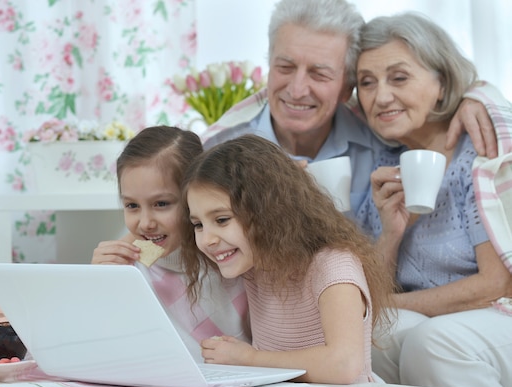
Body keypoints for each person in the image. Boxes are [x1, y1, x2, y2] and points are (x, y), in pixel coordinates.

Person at [202, 0, 506, 222]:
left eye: (319, 74)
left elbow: (431, 98)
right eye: (285, 67)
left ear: (348, 88)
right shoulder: (219, 149)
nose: (296, 90)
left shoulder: (381, 136)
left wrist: (477, 95)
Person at [354, 12, 512, 387]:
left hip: (501, 312)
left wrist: (392, 306)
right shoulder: (388, 168)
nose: (381, 96)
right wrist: (390, 233)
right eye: (366, 83)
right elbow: (375, 294)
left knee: (432, 341)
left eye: (399, 77)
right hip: (450, 324)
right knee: (371, 335)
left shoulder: (477, 154)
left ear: (441, 84)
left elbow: (496, 283)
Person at [179, 134, 397, 384]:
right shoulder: (255, 265)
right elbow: (164, 236)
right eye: (198, 224)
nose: (207, 239)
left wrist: (249, 359)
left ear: (269, 210)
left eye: (222, 220)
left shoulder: (333, 266)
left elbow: (344, 364)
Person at [90, 126, 250, 360]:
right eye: (132, 205)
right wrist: (96, 283)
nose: (145, 223)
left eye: (161, 204)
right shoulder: (127, 267)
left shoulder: (232, 258)